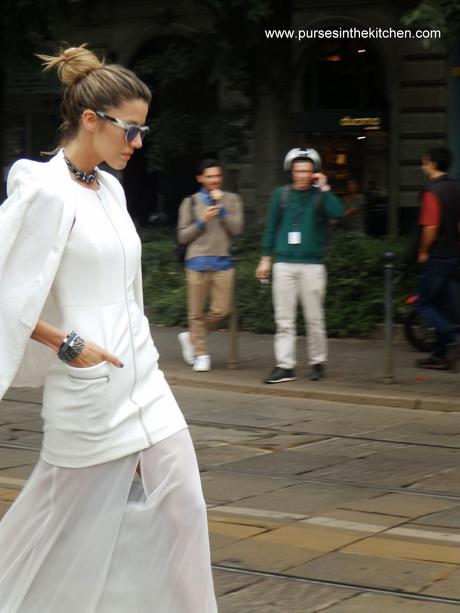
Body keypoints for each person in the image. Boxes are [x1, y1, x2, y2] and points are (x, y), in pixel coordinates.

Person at [0, 45, 217, 612]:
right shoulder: (43, 190)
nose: (138, 143)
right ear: (91, 121)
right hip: (88, 390)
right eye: (131, 130)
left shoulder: (112, 188)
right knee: (54, 524)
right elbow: (6, 293)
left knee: (185, 506)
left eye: (144, 131)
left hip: (144, 377)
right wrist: (64, 344)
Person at [256, 147, 344, 383]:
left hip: (312, 265)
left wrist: (325, 187)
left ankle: (317, 362)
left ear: (314, 172)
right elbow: (271, 227)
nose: (302, 175)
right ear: (291, 171)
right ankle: (285, 365)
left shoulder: (320, 196)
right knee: (283, 319)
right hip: (284, 263)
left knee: (314, 318)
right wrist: (265, 258)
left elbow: (339, 212)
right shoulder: (281, 195)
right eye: (298, 171)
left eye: (307, 171)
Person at [176, 160, 244, 372]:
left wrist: (221, 209)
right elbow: (182, 236)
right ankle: (201, 354)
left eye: (217, 176)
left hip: (223, 262)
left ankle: (192, 337)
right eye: (210, 176)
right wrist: (202, 221)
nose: (214, 180)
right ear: (200, 179)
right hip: (196, 262)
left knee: (222, 311)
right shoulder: (191, 202)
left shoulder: (232, 200)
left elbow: (237, 229)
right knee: (195, 313)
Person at [415, 146, 460, 371]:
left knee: (424, 303)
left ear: (432, 164)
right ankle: (440, 356)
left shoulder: (432, 192)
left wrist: (423, 251)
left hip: (437, 256)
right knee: (446, 307)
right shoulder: (455, 188)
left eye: (424, 161)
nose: (422, 165)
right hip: (453, 255)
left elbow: (431, 227)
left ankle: (452, 338)